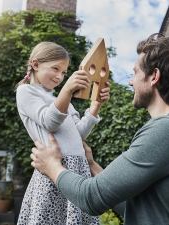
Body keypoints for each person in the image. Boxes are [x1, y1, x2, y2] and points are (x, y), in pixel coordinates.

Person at [30, 34, 169, 224]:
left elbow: (90, 198)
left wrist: (51, 167)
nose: (131, 82)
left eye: (135, 73)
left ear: (154, 77)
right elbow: (136, 207)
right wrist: (91, 165)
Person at [16, 42, 110, 224]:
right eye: (55, 69)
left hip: (78, 168)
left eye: (64, 73)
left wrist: (95, 106)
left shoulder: (63, 101)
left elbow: (79, 134)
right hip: (55, 169)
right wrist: (67, 90)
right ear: (35, 65)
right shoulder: (25, 91)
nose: (60, 77)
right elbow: (49, 122)